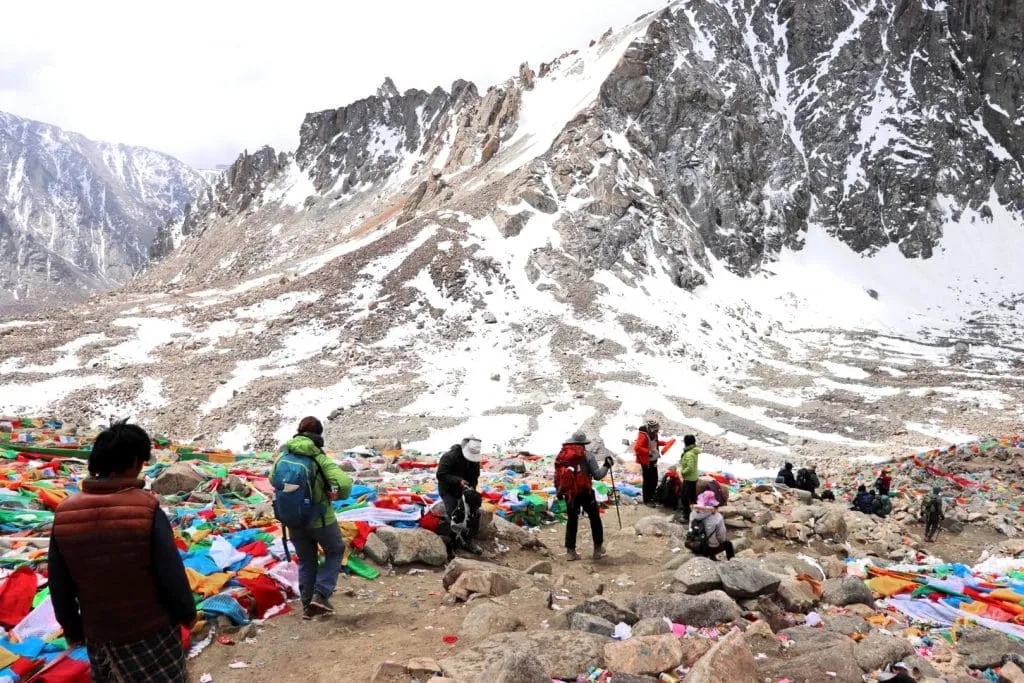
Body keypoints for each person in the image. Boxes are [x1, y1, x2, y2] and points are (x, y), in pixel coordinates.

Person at [49, 420, 196, 682]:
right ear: (134, 462)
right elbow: (171, 573)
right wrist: (187, 613)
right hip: (152, 632)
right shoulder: (146, 509)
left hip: (100, 634)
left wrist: (72, 628)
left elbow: (59, 584)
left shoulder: (65, 513)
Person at [271, 416, 353, 618]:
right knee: (335, 550)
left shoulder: (284, 455)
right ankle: (321, 593)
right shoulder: (318, 458)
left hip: (293, 519)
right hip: (320, 518)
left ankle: (308, 607)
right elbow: (344, 485)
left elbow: (273, 479)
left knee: (307, 560)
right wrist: (331, 492)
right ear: (319, 435)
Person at [557, 431, 613, 561]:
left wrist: (560, 491)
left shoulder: (563, 456)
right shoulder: (588, 456)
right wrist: (606, 465)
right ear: (584, 443)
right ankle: (597, 549)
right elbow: (598, 475)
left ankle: (570, 552)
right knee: (594, 518)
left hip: (570, 493)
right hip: (585, 492)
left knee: (572, 520)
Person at [436, 437, 484, 555]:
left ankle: (468, 540)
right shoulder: (449, 457)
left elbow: (474, 477)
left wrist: (471, 488)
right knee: (454, 514)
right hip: (448, 490)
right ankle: (452, 544)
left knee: (474, 513)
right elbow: (441, 475)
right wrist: (458, 481)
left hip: (465, 489)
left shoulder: (474, 461)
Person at [688, 490, 735, 560]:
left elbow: (690, 529)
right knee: (728, 544)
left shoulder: (692, 514)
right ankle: (731, 563)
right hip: (710, 548)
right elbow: (721, 536)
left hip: (695, 545)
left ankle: (709, 556)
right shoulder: (718, 517)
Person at [634, 418, 668, 505]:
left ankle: (652, 496)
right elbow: (637, 447)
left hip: (654, 460)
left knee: (654, 478)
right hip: (646, 461)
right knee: (648, 480)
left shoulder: (654, 434)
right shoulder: (643, 435)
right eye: (655, 430)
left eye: (657, 430)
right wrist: (648, 452)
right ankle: (647, 500)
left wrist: (664, 443)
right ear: (650, 429)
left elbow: (655, 442)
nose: (656, 432)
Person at [679, 434, 701, 520]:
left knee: (684, 497)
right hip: (694, 477)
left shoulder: (689, 453)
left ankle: (686, 515)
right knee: (692, 496)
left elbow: (690, 467)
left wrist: (683, 472)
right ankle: (695, 512)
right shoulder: (694, 450)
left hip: (689, 478)